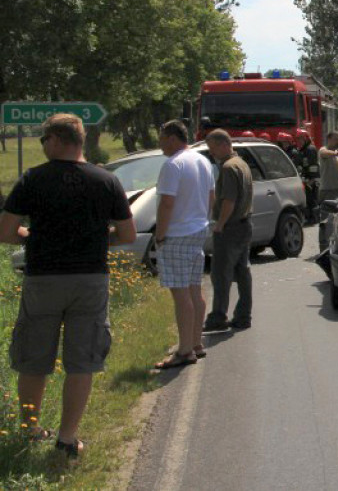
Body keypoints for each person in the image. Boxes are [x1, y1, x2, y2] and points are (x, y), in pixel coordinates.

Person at [0, 114, 135, 458]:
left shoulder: (32, 179)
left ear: (57, 140)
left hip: (43, 279)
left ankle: (30, 430)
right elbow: (127, 234)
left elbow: (5, 231)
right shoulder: (107, 181)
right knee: (82, 361)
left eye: (44, 139)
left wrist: (28, 235)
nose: (43, 145)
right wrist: (94, 239)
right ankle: (66, 438)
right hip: (90, 279)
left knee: (34, 358)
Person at [152, 120, 215, 370]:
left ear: (171, 137)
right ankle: (196, 342)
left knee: (181, 295)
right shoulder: (203, 160)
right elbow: (211, 196)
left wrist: (160, 234)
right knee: (194, 289)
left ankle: (185, 350)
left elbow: (167, 203)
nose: (159, 143)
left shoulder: (173, 164)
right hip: (198, 229)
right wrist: (203, 219)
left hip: (177, 233)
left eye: (161, 137)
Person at [202, 129, 254, 332]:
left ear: (224, 144)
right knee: (242, 271)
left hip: (231, 227)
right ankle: (243, 316)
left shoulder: (228, 167)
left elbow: (229, 200)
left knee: (220, 273)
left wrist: (220, 224)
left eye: (213, 148)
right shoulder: (241, 163)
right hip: (245, 224)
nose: (211, 153)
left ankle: (218, 316)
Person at [317, 131, 338, 251]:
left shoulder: (337, 154)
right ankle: (323, 247)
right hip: (328, 191)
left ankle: (337, 245)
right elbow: (324, 153)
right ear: (328, 139)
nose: (337, 142)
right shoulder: (324, 150)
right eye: (335, 139)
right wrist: (336, 153)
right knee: (326, 220)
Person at [295, 130, 319, 223]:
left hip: (310, 180)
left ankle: (313, 218)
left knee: (311, 200)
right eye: (298, 139)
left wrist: (311, 180)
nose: (299, 141)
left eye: (301, 138)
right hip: (305, 179)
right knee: (307, 200)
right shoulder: (303, 150)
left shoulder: (310, 149)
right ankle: (309, 217)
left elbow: (313, 166)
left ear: (306, 138)